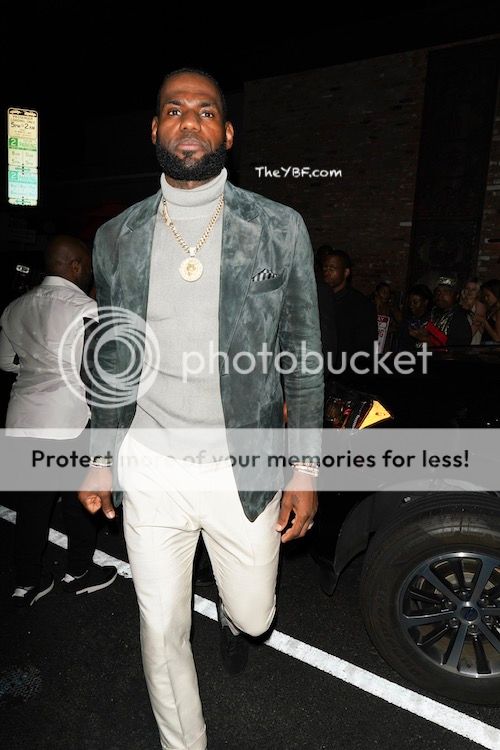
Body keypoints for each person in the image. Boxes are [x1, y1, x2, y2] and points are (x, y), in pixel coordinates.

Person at [78, 69, 323, 750]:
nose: (190, 122)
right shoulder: (117, 236)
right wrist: (100, 456)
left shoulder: (277, 228)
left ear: (228, 133)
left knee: (255, 616)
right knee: (160, 629)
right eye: (175, 110)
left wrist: (305, 469)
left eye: (206, 112)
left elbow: (303, 355)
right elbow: (111, 356)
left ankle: (234, 615)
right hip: (149, 461)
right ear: (155, 129)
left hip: (241, 464)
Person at [0, 235, 117, 607]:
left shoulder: (13, 308)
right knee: (78, 500)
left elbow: (6, 363)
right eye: (88, 265)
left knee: (31, 508)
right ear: (76, 265)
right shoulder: (87, 308)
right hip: (68, 419)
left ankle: (26, 582)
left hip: (21, 418)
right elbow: (95, 371)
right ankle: (78, 572)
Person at [318, 246, 378, 380]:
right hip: (320, 370)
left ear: (346, 272)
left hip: (346, 375)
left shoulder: (361, 304)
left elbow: (366, 348)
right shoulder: (318, 299)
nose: (327, 272)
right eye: (325, 268)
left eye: (332, 268)